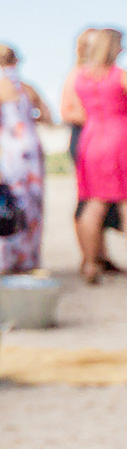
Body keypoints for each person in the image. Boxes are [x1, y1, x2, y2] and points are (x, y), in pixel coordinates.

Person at [0, 43, 51, 273]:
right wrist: (29, 118)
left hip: (12, 148)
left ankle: (11, 259)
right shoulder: (28, 87)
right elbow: (47, 114)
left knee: (12, 200)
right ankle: (30, 259)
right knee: (33, 203)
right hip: (32, 146)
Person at [69, 28, 127, 284]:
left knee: (93, 202)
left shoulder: (80, 78)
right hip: (119, 138)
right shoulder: (120, 77)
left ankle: (91, 264)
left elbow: (76, 111)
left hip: (91, 140)